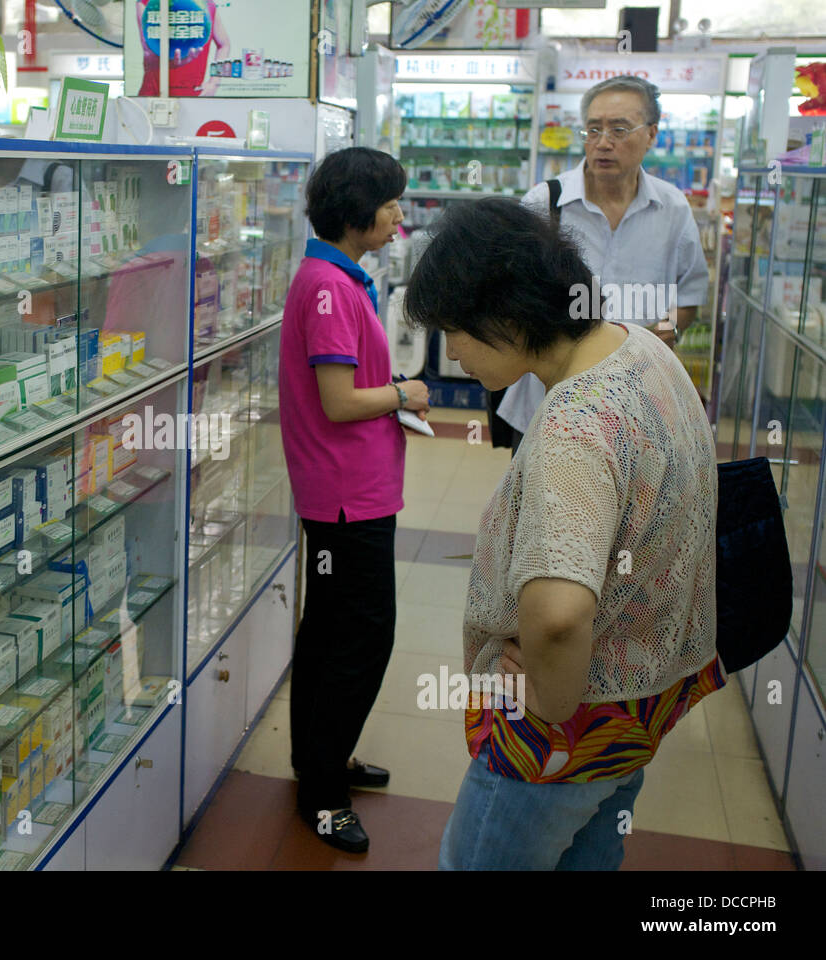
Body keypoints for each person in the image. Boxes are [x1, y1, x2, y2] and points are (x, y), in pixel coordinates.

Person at [403, 198, 722, 870]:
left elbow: (557, 614)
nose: (452, 353)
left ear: (508, 319)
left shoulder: (575, 424)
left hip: (569, 728)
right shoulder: (642, 350)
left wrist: (548, 702)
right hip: (639, 704)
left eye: (455, 331)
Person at [279, 147, 431, 854]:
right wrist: (404, 393)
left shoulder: (336, 277)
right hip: (347, 496)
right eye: (391, 201)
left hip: (350, 488)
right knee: (361, 639)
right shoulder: (328, 288)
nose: (399, 214)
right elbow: (339, 403)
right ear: (357, 209)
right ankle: (323, 795)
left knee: (329, 632)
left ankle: (318, 760)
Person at [497, 75, 709, 448]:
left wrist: (668, 328)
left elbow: (688, 294)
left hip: (636, 402)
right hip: (547, 403)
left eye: (619, 129)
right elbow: (506, 292)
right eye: (593, 130)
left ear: (652, 134)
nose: (603, 143)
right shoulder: (545, 203)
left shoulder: (672, 207)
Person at [135, 0, 230, 97]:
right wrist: (170, 63)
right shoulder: (146, 3)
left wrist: (214, 82)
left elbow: (224, 45)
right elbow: (148, 51)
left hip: (194, 97)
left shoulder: (207, 4)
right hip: (154, 96)